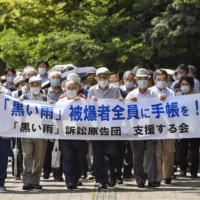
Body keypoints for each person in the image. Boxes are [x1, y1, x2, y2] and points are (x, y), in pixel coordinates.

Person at [88, 67, 124, 189]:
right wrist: (91, 101)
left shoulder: (115, 90)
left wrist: (121, 101)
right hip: (97, 128)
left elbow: (120, 105)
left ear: (108, 77)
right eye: (100, 77)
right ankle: (101, 180)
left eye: (105, 77)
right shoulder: (92, 91)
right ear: (96, 78)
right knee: (98, 155)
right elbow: (87, 108)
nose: (103, 79)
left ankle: (112, 172)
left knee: (112, 153)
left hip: (111, 127)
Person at [126, 68, 158, 188]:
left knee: (151, 153)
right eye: (140, 79)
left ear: (148, 80)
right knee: (137, 155)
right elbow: (123, 111)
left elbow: (162, 106)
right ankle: (140, 179)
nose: (142, 81)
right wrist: (130, 102)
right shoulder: (131, 95)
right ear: (136, 80)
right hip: (136, 128)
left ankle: (152, 180)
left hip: (151, 127)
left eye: (145, 79)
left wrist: (164, 99)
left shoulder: (154, 94)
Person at [18, 76, 47, 190]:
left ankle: (36, 181)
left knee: (39, 158)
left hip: (41, 133)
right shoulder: (23, 97)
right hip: (27, 133)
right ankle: (27, 182)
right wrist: (17, 102)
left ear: (40, 86)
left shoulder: (45, 98)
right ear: (28, 85)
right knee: (27, 157)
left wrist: (52, 103)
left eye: (37, 84)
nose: (35, 86)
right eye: (33, 84)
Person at [58, 78, 86, 189]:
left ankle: (76, 178)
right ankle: (69, 180)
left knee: (79, 158)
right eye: (68, 88)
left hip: (80, 135)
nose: (70, 90)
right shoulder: (61, 102)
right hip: (65, 135)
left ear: (78, 89)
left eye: (73, 88)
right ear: (65, 89)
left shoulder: (84, 101)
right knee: (68, 157)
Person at [149, 69, 175, 185]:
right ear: (154, 80)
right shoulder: (149, 92)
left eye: (164, 79)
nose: (161, 81)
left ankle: (168, 175)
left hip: (168, 126)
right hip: (154, 125)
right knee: (156, 152)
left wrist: (166, 101)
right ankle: (158, 177)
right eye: (159, 79)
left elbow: (175, 109)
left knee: (169, 151)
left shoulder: (171, 92)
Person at [42, 71, 65, 181]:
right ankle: (46, 171)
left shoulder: (65, 92)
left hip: (62, 123)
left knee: (60, 150)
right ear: (49, 80)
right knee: (48, 150)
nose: (55, 79)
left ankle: (58, 174)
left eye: (57, 77)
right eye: (53, 77)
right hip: (49, 122)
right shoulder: (45, 92)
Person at [176, 76, 200, 178]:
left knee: (195, 149)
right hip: (182, 125)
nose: (184, 87)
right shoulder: (177, 95)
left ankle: (194, 170)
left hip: (195, 126)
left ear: (191, 85)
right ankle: (183, 168)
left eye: (186, 85)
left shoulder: (197, 95)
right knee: (183, 148)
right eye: (182, 84)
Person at [0, 86, 12, 191]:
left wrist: (2, 93)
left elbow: (12, 104)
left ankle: (1, 183)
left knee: (3, 159)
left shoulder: (6, 91)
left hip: (3, 132)